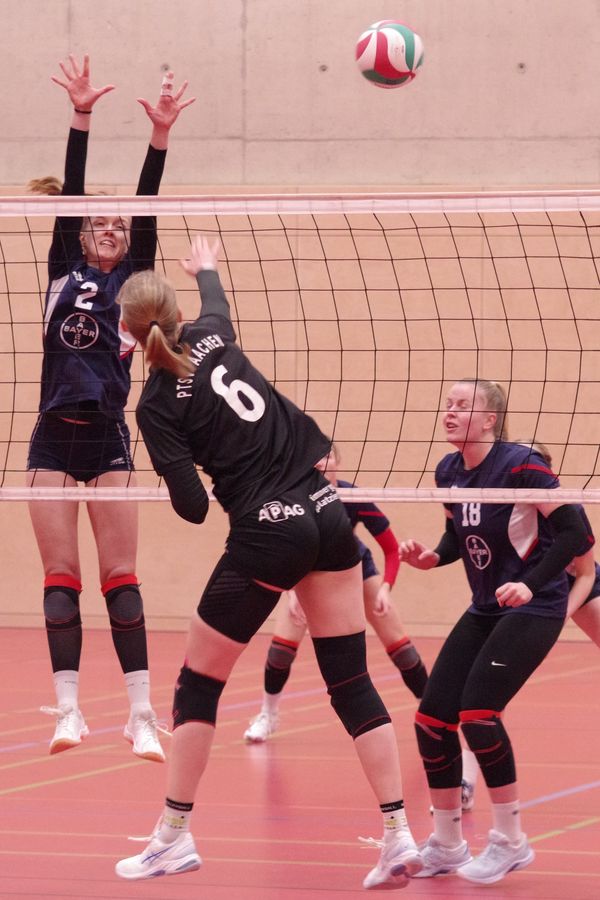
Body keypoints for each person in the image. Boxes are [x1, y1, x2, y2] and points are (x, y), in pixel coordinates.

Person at [113, 235, 422, 890]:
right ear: (177, 313)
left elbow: (193, 508)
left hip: (268, 530)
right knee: (351, 680)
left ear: (130, 335)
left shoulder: (155, 406)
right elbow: (216, 302)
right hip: (328, 512)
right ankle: (398, 832)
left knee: (198, 685)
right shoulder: (214, 335)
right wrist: (207, 268)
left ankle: (173, 836)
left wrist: (176, 467)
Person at [27, 55, 194, 761]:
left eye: (117, 224)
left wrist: (160, 134)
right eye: (96, 221)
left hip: (108, 442)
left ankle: (140, 715)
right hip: (49, 441)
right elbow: (71, 196)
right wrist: (82, 114)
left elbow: (146, 204)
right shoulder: (62, 270)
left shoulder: (135, 288)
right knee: (60, 581)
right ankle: (68, 711)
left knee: (120, 579)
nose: (107, 226)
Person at [399, 378, 589, 886]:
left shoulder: (523, 465)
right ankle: (446, 844)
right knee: (431, 720)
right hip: (486, 606)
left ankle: (510, 841)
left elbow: (575, 533)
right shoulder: (449, 470)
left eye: (463, 406)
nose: (450, 412)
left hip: (536, 606)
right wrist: (432, 557)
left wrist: (530, 584)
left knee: (479, 714)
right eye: (447, 404)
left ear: (490, 420)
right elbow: (456, 535)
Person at [243, 442, 428, 744]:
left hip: (355, 570)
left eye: (326, 456)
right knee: (280, 652)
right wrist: (291, 591)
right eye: (312, 457)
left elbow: (392, 548)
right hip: (305, 573)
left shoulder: (351, 496)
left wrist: (385, 587)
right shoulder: (292, 498)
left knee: (403, 651)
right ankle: (268, 714)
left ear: (337, 462)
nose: (319, 462)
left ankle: (432, 713)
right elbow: (279, 549)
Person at [516, 442, 600, 646]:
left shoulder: (569, 510)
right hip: (530, 587)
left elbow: (586, 574)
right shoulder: (501, 512)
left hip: (577, 583)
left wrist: (559, 617)